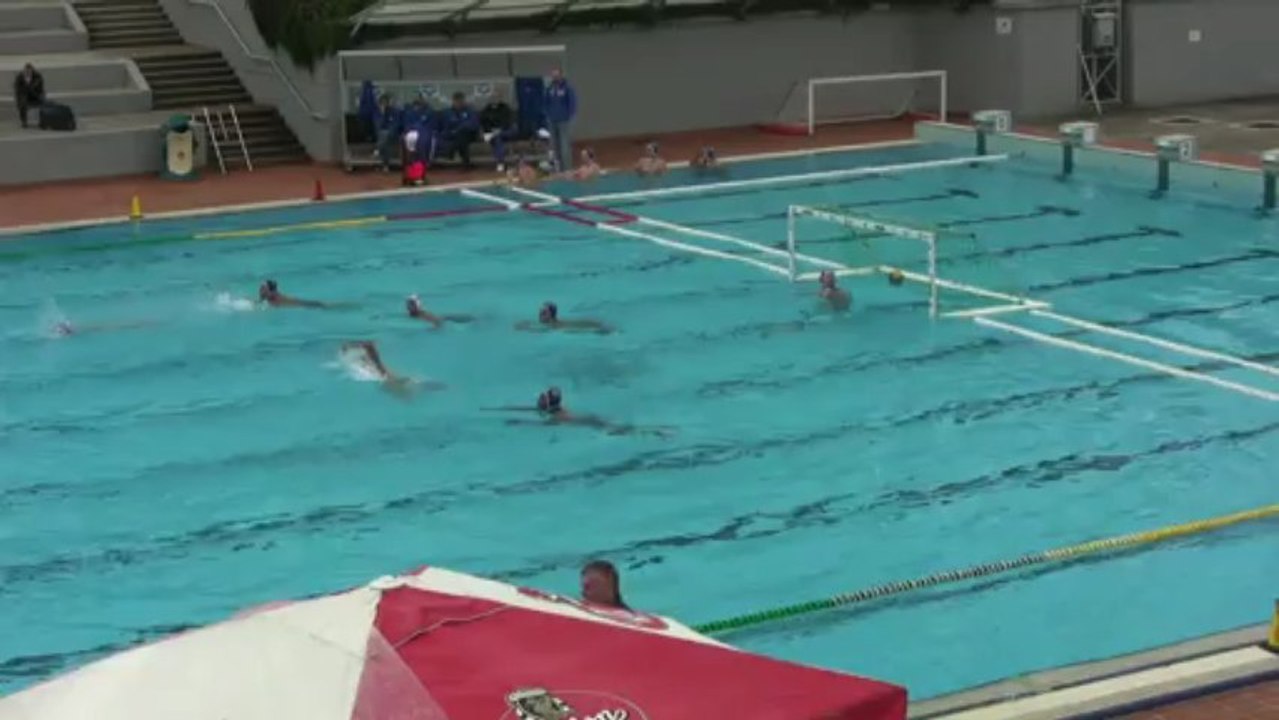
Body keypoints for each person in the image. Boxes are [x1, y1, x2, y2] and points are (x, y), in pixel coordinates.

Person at [340, 340, 429, 398]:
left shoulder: (397, 389)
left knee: (379, 369)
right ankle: (368, 349)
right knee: (381, 370)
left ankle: (365, 351)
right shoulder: (396, 387)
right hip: (389, 379)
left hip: (390, 380)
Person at [544, 68, 577, 172]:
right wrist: (547, 114)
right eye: (553, 75)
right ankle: (557, 168)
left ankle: (567, 168)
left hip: (564, 120)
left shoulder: (567, 88)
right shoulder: (549, 88)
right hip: (552, 120)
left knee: (564, 145)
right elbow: (545, 102)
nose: (555, 77)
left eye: (557, 75)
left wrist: (569, 116)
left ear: (561, 75)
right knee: (554, 145)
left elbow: (572, 103)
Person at [515, 301, 611, 334]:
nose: (540, 315)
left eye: (543, 313)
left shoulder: (554, 326)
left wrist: (526, 329)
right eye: (540, 312)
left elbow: (540, 331)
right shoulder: (554, 323)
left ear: (551, 315)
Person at [480, 90, 519, 172]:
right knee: (498, 140)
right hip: (492, 133)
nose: (495, 99)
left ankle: (500, 162)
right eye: (493, 97)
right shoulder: (486, 110)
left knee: (507, 132)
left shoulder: (505, 108)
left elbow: (508, 121)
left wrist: (500, 129)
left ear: (500, 98)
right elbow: (484, 123)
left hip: (505, 131)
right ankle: (500, 162)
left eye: (497, 97)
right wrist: (491, 130)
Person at [440, 91, 481, 169]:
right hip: (453, 134)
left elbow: (474, 124)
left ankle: (451, 151)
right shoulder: (448, 112)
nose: (459, 103)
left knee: (463, 134)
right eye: (457, 101)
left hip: (470, 134)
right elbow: (445, 126)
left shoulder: (470, 111)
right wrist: (451, 132)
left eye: (461, 101)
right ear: (453, 101)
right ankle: (466, 162)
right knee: (461, 139)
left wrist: (460, 128)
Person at [405, 294, 472, 328]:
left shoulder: (422, 314)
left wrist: (435, 328)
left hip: (442, 319)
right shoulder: (413, 314)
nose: (409, 306)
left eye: (411, 304)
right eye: (408, 303)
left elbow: (437, 321)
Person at [374, 94, 403, 172]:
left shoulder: (394, 111)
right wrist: (382, 114)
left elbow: (396, 124)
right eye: (382, 103)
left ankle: (378, 148)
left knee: (384, 136)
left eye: (385, 102)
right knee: (384, 138)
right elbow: (378, 126)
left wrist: (390, 132)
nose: (384, 104)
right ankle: (385, 164)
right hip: (381, 135)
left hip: (393, 133)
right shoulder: (377, 112)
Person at [12, 63, 45, 129]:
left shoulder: (37, 77)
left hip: (35, 95)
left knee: (44, 102)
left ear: (32, 71)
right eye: (26, 72)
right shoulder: (19, 78)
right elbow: (17, 89)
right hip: (24, 96)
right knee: (22, 103)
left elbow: (41, 88)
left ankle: (43, 120)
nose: (27, 73)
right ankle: (24, 121)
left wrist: (39, 94)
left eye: (29, 72)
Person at [258, 279, 330, 309]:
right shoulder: (271, 299)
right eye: (260, 289)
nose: (260, 291)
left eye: (263, 289)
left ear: (272, 291)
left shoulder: (277, 299)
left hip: (307, 305)